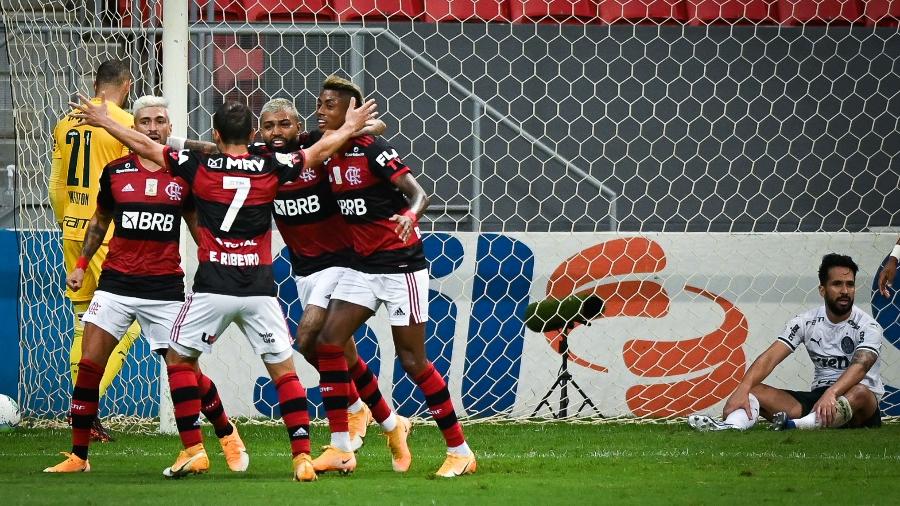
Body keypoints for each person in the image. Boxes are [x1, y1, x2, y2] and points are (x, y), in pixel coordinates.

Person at [70, 94, 377, 481]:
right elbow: (317, 153)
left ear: (215, 134)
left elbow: (148, 146)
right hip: (258, 288)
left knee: (180, 363)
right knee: (285, 373)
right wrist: (350, 127)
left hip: (213, 285)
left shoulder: (197, 165)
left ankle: (196, 450)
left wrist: (105, 120)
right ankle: (301, 457)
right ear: (253, 134)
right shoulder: (270, 165)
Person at [43, 96, 247, 473]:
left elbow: (197, 227)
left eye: (159, 121)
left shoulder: (184, 175)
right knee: (89, 365)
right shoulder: (116, 171)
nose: (152, 127)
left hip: (164, 289)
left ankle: (225, 432)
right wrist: (82, 265)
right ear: (134, 128)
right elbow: (100, 220)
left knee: (185, 373)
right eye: (145, 121)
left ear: (170, 129)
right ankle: (78, 457)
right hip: (115, 285)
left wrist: (217, 266)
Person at [309, 75, 476, 478]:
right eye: (320, 103)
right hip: (361, 266)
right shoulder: (324, 149)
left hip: (401, 266)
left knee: (413, 361)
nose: (320, 110)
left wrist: (410, 214)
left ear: (349, 112)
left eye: (329, 104)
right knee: (328, 343)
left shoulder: (374, 151)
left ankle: (460, 450)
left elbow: (419, 193)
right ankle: (340, 448)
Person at [257, 98, 408, 458]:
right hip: (304, 270)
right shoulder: (260, 158)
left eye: (284, 124)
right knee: (329, 349)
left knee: (309, 335)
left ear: (298, 126)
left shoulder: (317, 146)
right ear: (259, 131)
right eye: (269, 126)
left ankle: (350, 422)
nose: (277, 132)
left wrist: (358, 125)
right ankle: (387, 420)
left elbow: (375, 131)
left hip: (341, 262)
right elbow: (216, 150)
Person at [688, 253, 884, 432]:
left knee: (861, 392)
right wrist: (742, 389)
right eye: (837, 284)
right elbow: (771, 358)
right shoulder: (805, 322)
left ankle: (795, 426)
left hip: (859, 406)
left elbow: (860, 367)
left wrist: (832, 393)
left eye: (850, 284)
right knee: (753, 390)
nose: (845, 291)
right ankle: (730, 427)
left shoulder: (869, 326)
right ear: (822, 290)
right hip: (818, 399)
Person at [49, 59, 139, 442]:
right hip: (108, 233)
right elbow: (129, 182)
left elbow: (56, 185)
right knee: (129, 321)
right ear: (127, 85)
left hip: (73, 231)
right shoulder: (122, 123)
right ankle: (84, 403)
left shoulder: (65, 121)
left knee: (84, 322)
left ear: (94, 82)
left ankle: (82, 411)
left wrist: (67, 221)